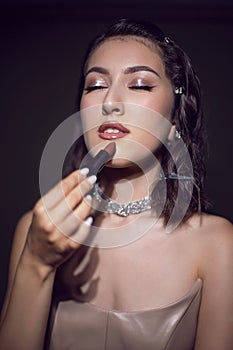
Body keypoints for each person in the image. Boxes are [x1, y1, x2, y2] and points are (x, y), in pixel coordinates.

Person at [0, 18, 232, 350]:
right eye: (95, 85)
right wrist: (36, 264)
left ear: (173, 120)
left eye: (139, 84)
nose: (110, 101)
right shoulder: (36, 229)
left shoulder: (217, 244)